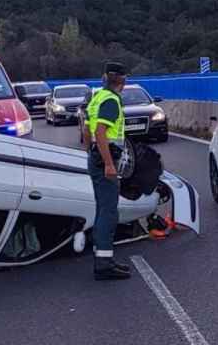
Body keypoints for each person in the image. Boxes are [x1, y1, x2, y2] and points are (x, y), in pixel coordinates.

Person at [84, 61, 132, 280]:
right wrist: (109, 163)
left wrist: (90, 153)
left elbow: (87, 129)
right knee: (109, 211)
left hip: (96, 157)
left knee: (102, 209)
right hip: (105, 159)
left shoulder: (97, 97)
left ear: (105, 77)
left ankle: (102, 256)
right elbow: (101, 131)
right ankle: (103, 264)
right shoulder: (111, 100)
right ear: (122, 79)